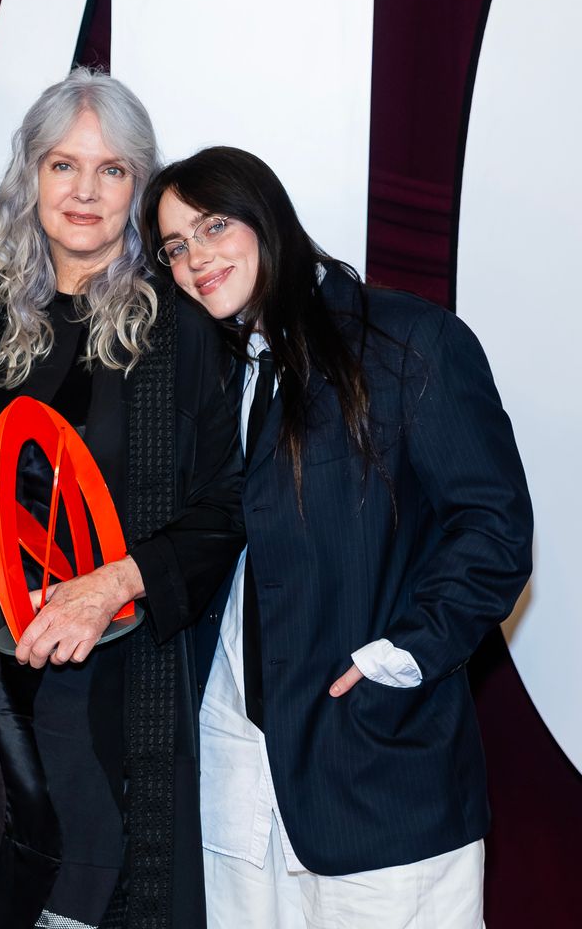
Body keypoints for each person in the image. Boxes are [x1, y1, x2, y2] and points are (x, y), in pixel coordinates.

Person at [139, 146, 533, 929]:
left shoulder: (407, 340)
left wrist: (402, 655)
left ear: (269, 217)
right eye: (176, 247)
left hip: (377, 775)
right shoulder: (213, 372)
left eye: (213, 224)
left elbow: (493, 527)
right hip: (236, 782)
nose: (195, 258)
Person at [0, 70, 245, 929]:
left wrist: (113, 583)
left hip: (110, 684)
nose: (84, 191)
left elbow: (224, 513)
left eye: (112, 171)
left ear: (139, 189)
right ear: (29, 175)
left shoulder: (181, 329)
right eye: (63, 164)